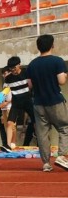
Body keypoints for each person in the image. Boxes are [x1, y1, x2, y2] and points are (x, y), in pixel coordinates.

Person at [26, 34, 68, 171]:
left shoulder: (32, 65)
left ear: (38, 47)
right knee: (64, 128)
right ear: (52, 45)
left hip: (38, 103)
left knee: (42, 134)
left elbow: (30, 86)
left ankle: (46, 163)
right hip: (55, 100)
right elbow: (61, 81)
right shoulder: (57, 61)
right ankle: (61, 156)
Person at [2, 56, 35, 149]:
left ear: (19, 65)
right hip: (16, 103)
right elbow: (5, 90)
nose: (13, 70)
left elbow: (31, 85)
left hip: (27, 101)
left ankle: (41, 143)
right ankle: (8, 145)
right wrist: (0, 99)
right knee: (9, 123)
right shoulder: (8, 78)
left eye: (14, 68)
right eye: (11, 69)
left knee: (36, 121)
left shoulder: (26, 73)